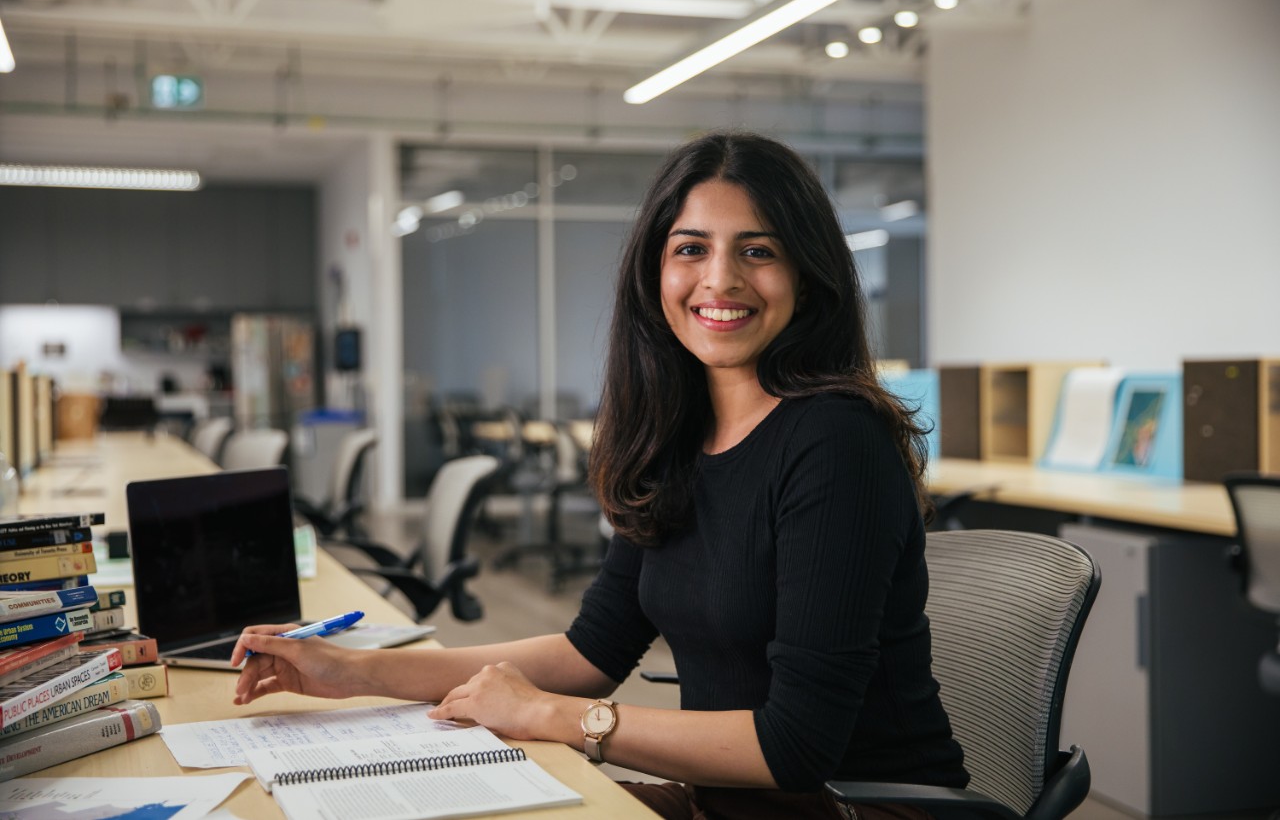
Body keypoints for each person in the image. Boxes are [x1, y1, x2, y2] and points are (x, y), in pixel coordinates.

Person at [232, 131, 968, 820]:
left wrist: (547, 715)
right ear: (656, 273)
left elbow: (798, 743)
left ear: (806, 276)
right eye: (691, 248)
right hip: (732, 802)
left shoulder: (835, 442)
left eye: (758, 250)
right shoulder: (679, 438)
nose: (721, 278)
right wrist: (350, 670)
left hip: (855, 806)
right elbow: (590, 653)